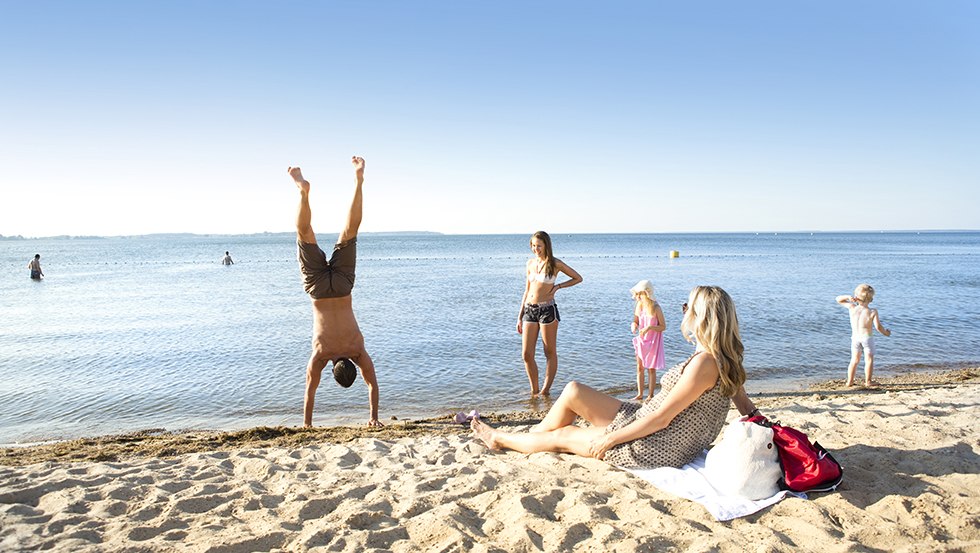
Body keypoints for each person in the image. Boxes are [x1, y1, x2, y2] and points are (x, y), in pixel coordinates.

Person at [474, 285, 761, 469]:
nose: (683, 313)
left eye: (687, 307)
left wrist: (610, 440)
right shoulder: (722, 358)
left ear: (701, 316)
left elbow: (662, 419)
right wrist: (771, 429)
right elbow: (747, 408)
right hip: (645, 419)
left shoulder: (706, 364)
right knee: (573, 391)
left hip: (657, 443)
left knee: (564, 435)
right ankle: (529, 439)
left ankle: (501, 439)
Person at [289, 157, 381, 427]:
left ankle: (359, 180)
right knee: (304, 232)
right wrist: (307, 424)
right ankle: (302, 191)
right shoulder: (321, 354)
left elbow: (373, 386)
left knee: (350, 231)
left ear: (353, 365)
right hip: (317, 290)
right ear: (333, 369)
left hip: (342, 287)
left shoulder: (358, 350)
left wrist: (374, 416)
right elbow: (310, 390)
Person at [517, 231, 583, 397]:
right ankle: (534, 390)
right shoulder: (530, 263)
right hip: (530, 310)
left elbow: (577, 278)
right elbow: (526, 290)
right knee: (526, 354)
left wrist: (558, 287)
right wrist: (519, 315)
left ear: (546, 245)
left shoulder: (555, 263)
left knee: (550, 352)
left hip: (548, 310)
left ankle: (545, 390)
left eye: (539, 245)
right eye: (533, 245)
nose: (535, 248)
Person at [836, 284, 891, 387]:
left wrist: (848, 297)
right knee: (869, 360)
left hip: (855, 339)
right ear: (871, 299)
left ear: (856, 297)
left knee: (854, 360)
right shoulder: (872, 311)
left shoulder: (852, 307)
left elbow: (838, 299)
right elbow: (878, 327)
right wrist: (886, 333)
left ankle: (850, 381)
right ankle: (868, 381)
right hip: (867, 338)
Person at [630, 280, 666, 401]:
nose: (638, 296)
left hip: (653, 341)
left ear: (647, 293)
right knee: (639, 367)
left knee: (651, 368)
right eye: (637, 294)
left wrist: (649, 327)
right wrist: (634, 325)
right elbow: (635, 321)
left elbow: (663, 326)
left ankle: (650, 395)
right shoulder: (639, 306)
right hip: (642, 339)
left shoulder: (656, 307)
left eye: (640, 294)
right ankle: (640, 394)